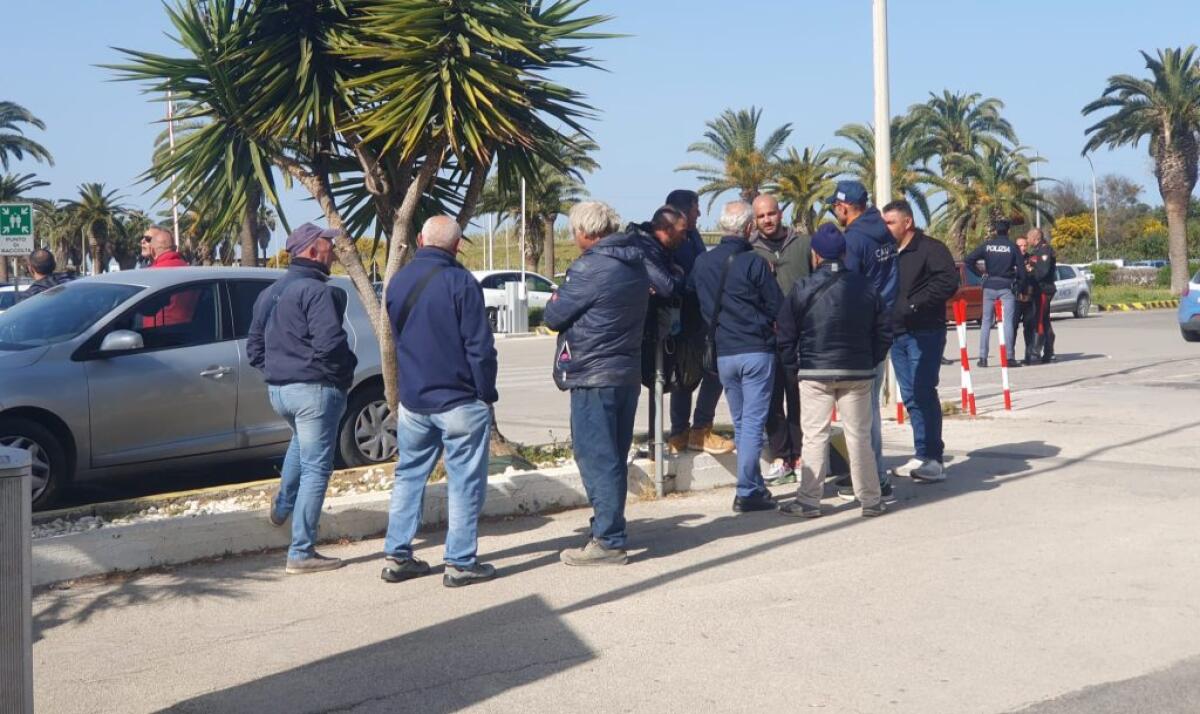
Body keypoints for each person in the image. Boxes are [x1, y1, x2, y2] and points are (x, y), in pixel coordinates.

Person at [381, 216, 499, 588]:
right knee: (463, 482)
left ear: (419, 239)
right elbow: (479, 347)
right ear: (456, 245)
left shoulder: (398, 281)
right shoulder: (461, 282)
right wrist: (485, 393)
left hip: (415, 401)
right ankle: (460, 562)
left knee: (409, 476)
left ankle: (398, 556)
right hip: (459, 399)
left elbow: (398, 336)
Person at [247, 223, 358, 574]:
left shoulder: (271, 292)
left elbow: (254, 348)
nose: (333, 249)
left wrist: (279, 371)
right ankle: (301, 552)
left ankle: (281, 508)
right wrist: (340, 375)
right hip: (313, 390)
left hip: (281, 391)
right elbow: (331, 345)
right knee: (317, 467)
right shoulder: (316, 291)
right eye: (328, 244)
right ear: (312, 251)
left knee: (301, 444)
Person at [545, 201, 649, 566]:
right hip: (625, 372)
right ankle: (609, 528)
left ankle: (607, 539)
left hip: (593, 373)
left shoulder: (590, 267)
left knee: (596, 457)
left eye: (574, 231)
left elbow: (554, 314)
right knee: (613, 456)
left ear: (586, 232)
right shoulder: (635, 263)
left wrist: (559, 292)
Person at [777, 224, 891, 518]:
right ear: (844, 252)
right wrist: (870, 359)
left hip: (815, 372)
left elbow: (786, 335)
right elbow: (883, 332)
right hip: (858, 372)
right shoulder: (866, 286)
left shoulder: (802, 287)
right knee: (859, 437)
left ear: (815, 254)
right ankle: (871, 499)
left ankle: (809, 501)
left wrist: (794, 369)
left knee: (815, 437)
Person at [688, 201, 784, 513]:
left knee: (742, 421)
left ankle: (753, 485)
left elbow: (693, 298)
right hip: (755, 350)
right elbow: (776, 305)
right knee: (753, 422)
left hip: (723, 354)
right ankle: (747, 490)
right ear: (747, 229)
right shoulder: (754, 263)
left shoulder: (702, 263)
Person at [882, 201, 959, 483]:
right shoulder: (888, 253)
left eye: (890, 222)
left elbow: (948, 283)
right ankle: (921, 452)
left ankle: (934, 459)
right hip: (897, 334)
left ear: (908, 222)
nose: (885, 227)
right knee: (910, 395)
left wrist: (913, 306)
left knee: (924, 391)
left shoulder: (931, 249)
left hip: (925, 332)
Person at [831, 180, 896, 498]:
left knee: (861, 411)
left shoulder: (854, 240)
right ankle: (872, 473)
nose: (834, 212)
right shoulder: (883, 231)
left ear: (844, 207)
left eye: (835, 207)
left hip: (862, 331)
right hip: (881, 325)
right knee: (867, 407)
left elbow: (848, 287)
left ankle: (874, 477)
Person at [664, 189, 735, 456]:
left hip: (702, 318)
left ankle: (699, 428)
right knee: (684, 377)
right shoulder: (669, 236)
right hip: (679, 321)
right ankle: (682, 431)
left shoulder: (692, 235)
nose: (699, 214)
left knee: (713, 370)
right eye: (696, 209)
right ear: (683, 210)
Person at [750, 194, 811, 485]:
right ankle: (780, 456)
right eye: (761, 216)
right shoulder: (750, 251)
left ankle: (799, 455)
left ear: (780, 213)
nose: (767, 220)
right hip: (766, 338)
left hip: (800, 337)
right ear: (754, 219)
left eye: (771, 214)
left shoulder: (803, 244)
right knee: (772, 400)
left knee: (799, 397)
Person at [965, 219, 1026, 368]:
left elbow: (968, 260)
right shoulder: (1012, 247)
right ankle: (1009, 357)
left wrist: (981, 274)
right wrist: (1020, 286)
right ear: (1008, 231)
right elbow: (1022, 271)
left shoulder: (987, 246)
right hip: (1006, 287)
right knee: (1008, 322)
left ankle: (983, 358)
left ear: (995, 231)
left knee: (986, 322)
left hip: (989, 286)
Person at [1027, 228, 1058, 363]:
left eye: (1029, 237)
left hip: (1044, 289)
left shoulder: (1045, 250)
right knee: (1044, 321)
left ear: (1035, 237)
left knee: (1039, 319)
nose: (1027, 240)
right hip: (1038, 289)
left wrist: (1031, 271)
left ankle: (1036, 354)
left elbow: (1043, 271)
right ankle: (1049, 351)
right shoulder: (1036, 251)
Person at [1014, 234, 1038, 364]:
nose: (1023, 248)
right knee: (1012, 328)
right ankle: (1010, 356)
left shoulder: (1031, 259)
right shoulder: (1011, 259)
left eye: (1024, 245)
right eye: (1020, 246)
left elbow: (1035, 273)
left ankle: (1029, 356)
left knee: (1029, 328)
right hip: (1016, 299)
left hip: (1029, 299)